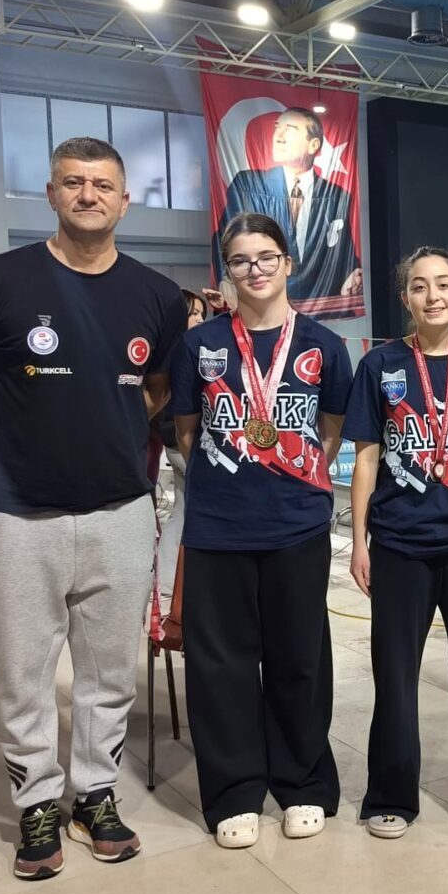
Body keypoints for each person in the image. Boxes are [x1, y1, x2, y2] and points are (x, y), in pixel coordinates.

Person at [0, 136, 185, 881]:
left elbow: (156, 393)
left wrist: (99, 429)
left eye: (103, 184)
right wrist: (31, 426)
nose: (88, 195)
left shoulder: (157, 295)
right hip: (19, 514)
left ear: (124, 200)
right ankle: (37, 802)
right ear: (50, 194)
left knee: (109, 673)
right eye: (73, 182)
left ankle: (94, 794)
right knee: (23, 673)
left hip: (120, 511)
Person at [172, 213, 351, 850]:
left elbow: (330, 431)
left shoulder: (324, 345)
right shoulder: (201, 344)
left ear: (287, 262)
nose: (255, 269)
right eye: (241, 259)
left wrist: (287, 476)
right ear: (227, 268)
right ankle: (233, 790)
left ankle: (302, 782)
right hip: (218, 526)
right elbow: (187, 433)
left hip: (296, 524)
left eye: (266, 256)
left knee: (299, 658)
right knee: (221, 664)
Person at [343, 246, 448, 840]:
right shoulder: (380, 364)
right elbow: (367, 458)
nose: (432, 295)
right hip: (400, 541)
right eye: (419, 285)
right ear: (405, 298)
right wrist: (359, 541)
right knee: (395, 675)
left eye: (443, 284)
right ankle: (390, 794)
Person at [215, 107, 363, 316]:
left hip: (321, 310)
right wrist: (226, 279)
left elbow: (343, 249)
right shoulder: (248, 185)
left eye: (290, 129)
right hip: (263, 308)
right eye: (277, 128)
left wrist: (353, 272)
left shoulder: (337, 196)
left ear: (313, 145)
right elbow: (224, 238)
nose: (279, 137)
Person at [155, 289, 207, 602]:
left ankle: (169, 581)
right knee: (187, 509)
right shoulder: (180, 352)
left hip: (179, 441)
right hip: (182, 442)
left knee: (183, 507)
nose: (199, 319)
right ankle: (170, 582)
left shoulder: (188, 348)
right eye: (193, 313)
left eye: (202, 313)